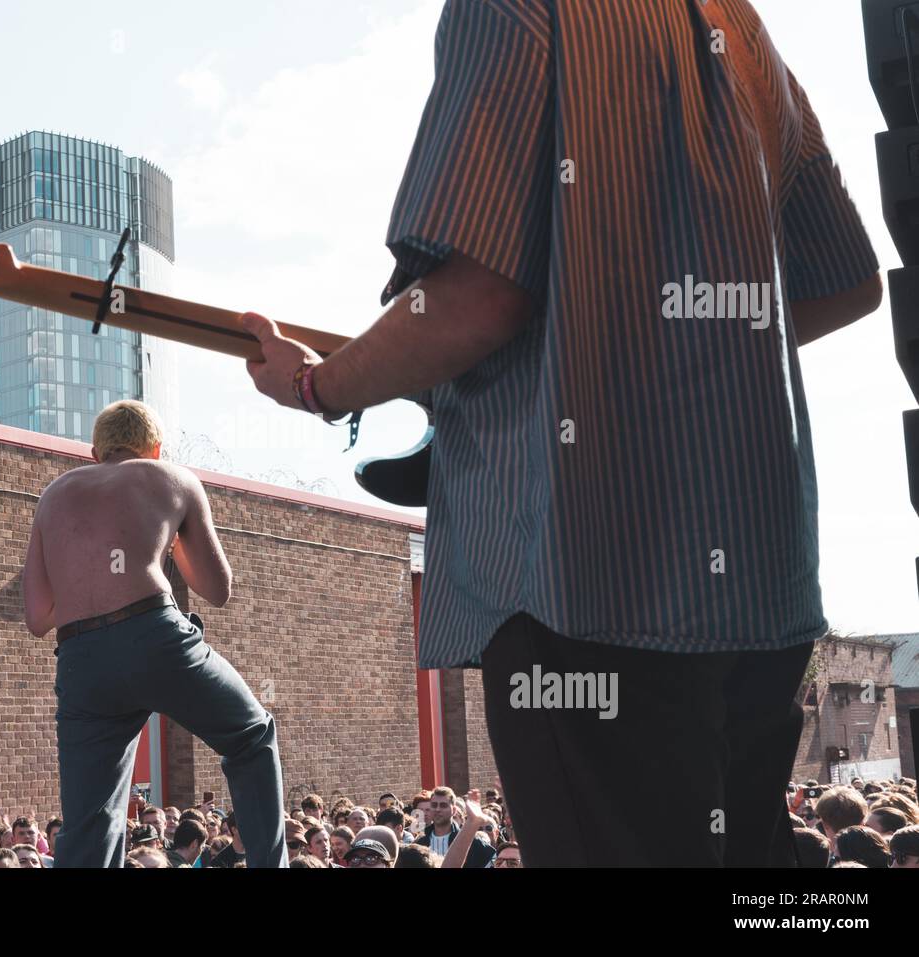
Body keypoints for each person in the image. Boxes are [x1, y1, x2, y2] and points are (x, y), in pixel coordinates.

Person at [239, 0, 881, 868]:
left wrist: (316, 384)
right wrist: (653, 348)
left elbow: (478, 295)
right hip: (761, 583)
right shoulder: (737, 25)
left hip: (584, 574)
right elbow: (846, 280)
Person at [25, 400, 286, 868]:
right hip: (153, 635)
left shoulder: (53, 494)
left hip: (81, 656)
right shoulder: (172, 477)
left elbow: (37, 617)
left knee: (92, 816)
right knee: (251, 736)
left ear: (94, 452)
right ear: (157, 448)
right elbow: (217, 590)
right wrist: (173, 537)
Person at [416, 787, 494, 867]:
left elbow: (493, 860)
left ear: (454, 810)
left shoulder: (471, 841)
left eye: (443, 805)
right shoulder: (420, 843)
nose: (438, 809)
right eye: (434, 805)